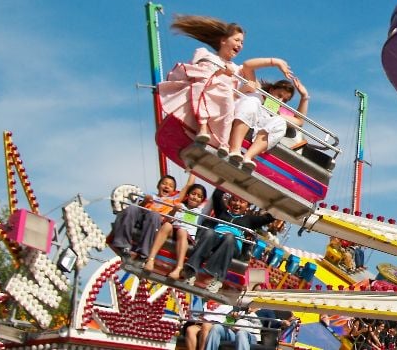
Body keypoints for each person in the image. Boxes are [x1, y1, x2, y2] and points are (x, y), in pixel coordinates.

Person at [158, 14, 293, 152]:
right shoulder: (206, 55)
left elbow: (249, 71)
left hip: (227, 108)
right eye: (237, 40)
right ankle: (203, 128)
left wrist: (245, 90)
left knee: (235, 97)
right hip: (204, 98)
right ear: (223, 40)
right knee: (223, 92)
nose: (240, 45)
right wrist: (221, 72)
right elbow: (201, 76)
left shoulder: (239, 72)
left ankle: (223, 143)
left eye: (242, 43)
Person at [182, 189, 275, 293]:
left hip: (232, 246)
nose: (237, 204)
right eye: (235, 200)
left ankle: (218, 278)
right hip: (215, 241)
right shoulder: (222, 212)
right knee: (210, 232)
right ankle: (191, 271)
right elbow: (217, 194)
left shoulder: (249, 220)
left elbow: (270, 218)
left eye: (242, 202)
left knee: (229, 237)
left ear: (247, 206)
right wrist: (232, 183)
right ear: (230, 201)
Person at [226, 76, 309, 171]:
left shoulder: (277, 114)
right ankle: (235, 149)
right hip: (244, 123)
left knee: (281, 122)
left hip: (258, 134)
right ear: (271, 90)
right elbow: (249, 70)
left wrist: (304, 97)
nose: (280, 101)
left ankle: (247, 157)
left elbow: (299, 122)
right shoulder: (257, 95)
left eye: (285, 100)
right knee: (251, 103)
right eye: (279, 95)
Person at [109, 175, 190, 259]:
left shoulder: (174, 200)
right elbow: (139, 207)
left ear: (173, 190)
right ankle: (123, 245)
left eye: (170, 186)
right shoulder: (150, 195)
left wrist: (192, 169)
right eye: (164, 184)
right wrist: (145, 201)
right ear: (158, 186)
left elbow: (188, 185)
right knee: (132, 208)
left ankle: (143, 252)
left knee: (154, 214)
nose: (167, 186)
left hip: (156, 223)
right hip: (141, 218)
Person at [143, 183, 209, 279]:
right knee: (166, 225)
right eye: (193, 194)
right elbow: (167, 220)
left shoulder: (201, 212)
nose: (195, 197)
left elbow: (213, 201)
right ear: (188, 195)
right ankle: (151, 259)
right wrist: (174, 210)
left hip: (186, 235)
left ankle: (179, 268)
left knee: (181, 231)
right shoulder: (180, 205)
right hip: (174, 230)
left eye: (199, 196)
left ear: (202, 201)